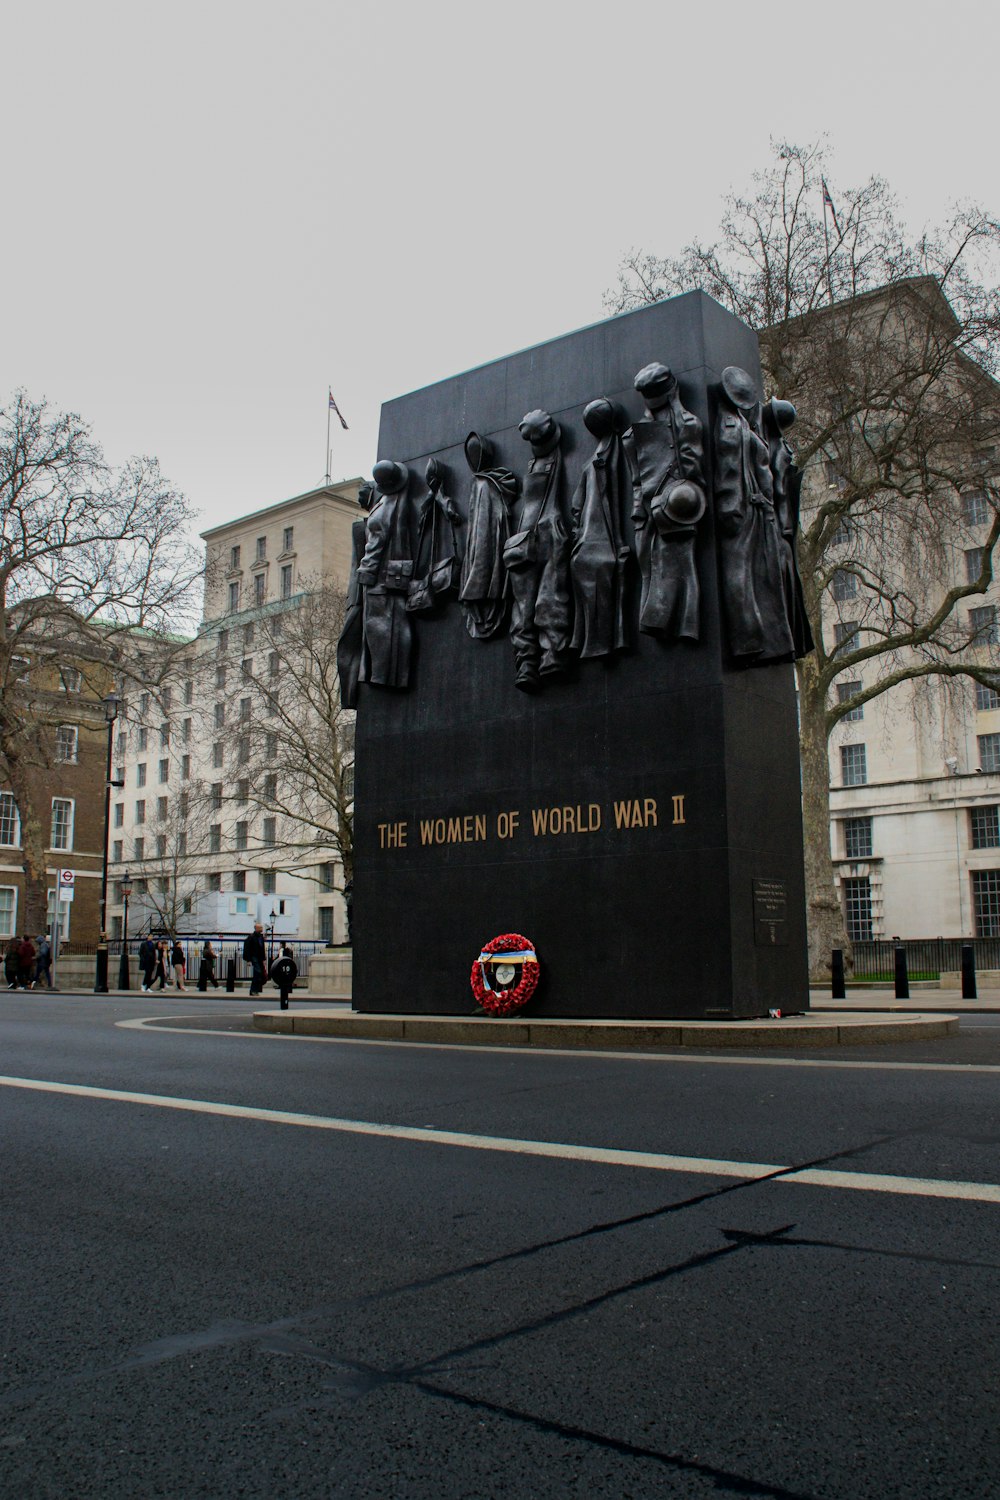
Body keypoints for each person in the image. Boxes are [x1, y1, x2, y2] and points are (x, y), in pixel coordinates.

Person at [269, 944, 298, 1011]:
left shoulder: (283, 951)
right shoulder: (287, 952)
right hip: (284, 969)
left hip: (282, 969)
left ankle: (285, 1004)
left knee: (286, 981)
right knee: (286, 980)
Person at [243, 922, 266, 996]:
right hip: (254, 957)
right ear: (256, 928)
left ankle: (255, 990)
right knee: (257, 972)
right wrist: (248, 960)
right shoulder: (251, 937)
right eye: (260, 927)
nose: (262, 929)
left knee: (259, 973)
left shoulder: (261, 937)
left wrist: (263, 959)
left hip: (259, 958)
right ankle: (253, 990)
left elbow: (262, 949)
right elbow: (247, 949)